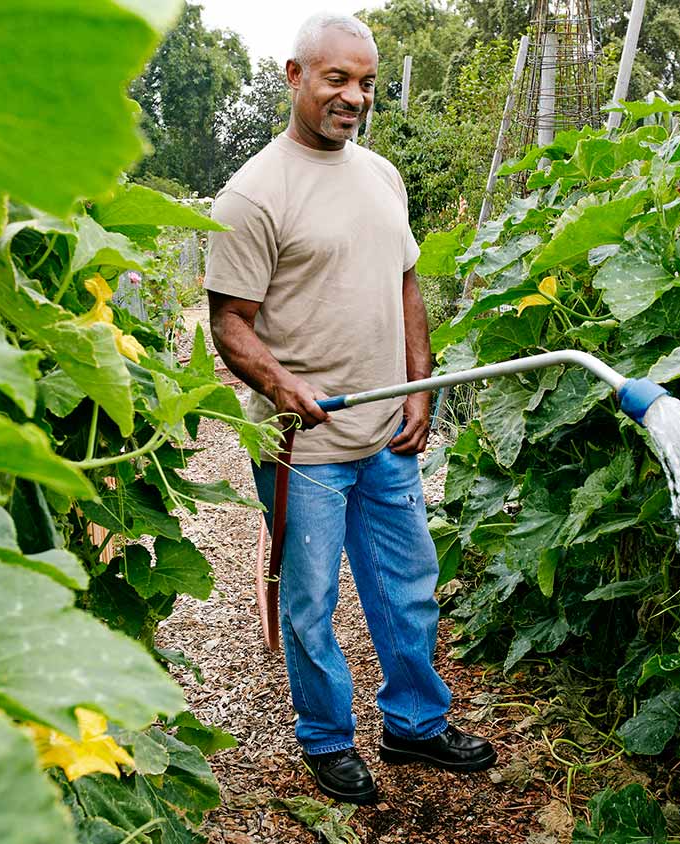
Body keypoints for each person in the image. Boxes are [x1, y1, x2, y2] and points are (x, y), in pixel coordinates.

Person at [202, 12, 497, 806]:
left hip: (385, 431)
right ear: (294, 75)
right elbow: (229, 320)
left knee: (407, 588)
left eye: (366, 83)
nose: (354, 97)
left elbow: (404, 281)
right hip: (307, 443)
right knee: (312, 601)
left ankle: (413, 723)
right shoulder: (254, 194)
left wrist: (421, 378)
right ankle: (327, 738)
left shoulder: (382, 175)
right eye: (338, 79)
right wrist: (278, 385)